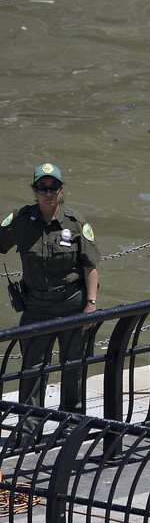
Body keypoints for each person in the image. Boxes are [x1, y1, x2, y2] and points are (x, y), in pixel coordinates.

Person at [0, 162, 101, 418]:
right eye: (42, 187)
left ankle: (71, 421)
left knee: (73, 366)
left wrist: (91, 304)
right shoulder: (21, 220)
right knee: (32, 368)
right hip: (36, 307)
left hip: (72, 303)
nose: (48, 192)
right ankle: (30, 428)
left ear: (61, 189)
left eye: (53, 186)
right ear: (34, 191)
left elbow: (90, 266)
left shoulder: (76, 223)